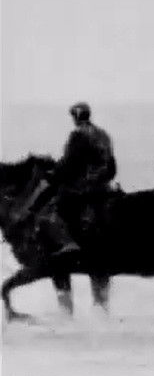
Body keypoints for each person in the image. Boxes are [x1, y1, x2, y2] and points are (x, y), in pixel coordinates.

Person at [21, 102, 119, 263]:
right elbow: (111, 164)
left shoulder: (78, 135)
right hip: (103, 185)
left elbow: (70, 163)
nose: (73, 119)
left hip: (86, 185)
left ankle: (68, 242)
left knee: (61, 204)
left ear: (77, 116)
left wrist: (53, 174)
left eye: (74, 116)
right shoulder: (103, 134)